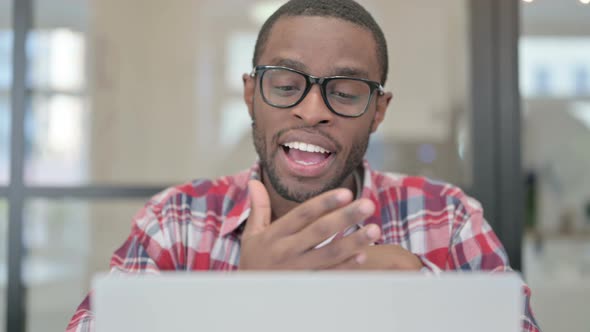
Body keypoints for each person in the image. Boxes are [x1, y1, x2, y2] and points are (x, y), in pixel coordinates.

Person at [66, 0, 540, 331]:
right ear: (251, 94)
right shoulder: (174, 221)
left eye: (347, 92)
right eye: (286, 84)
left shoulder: (449, 218)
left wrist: (421, 289)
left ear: (378, 110)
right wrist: (239, 304)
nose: (313, 111)